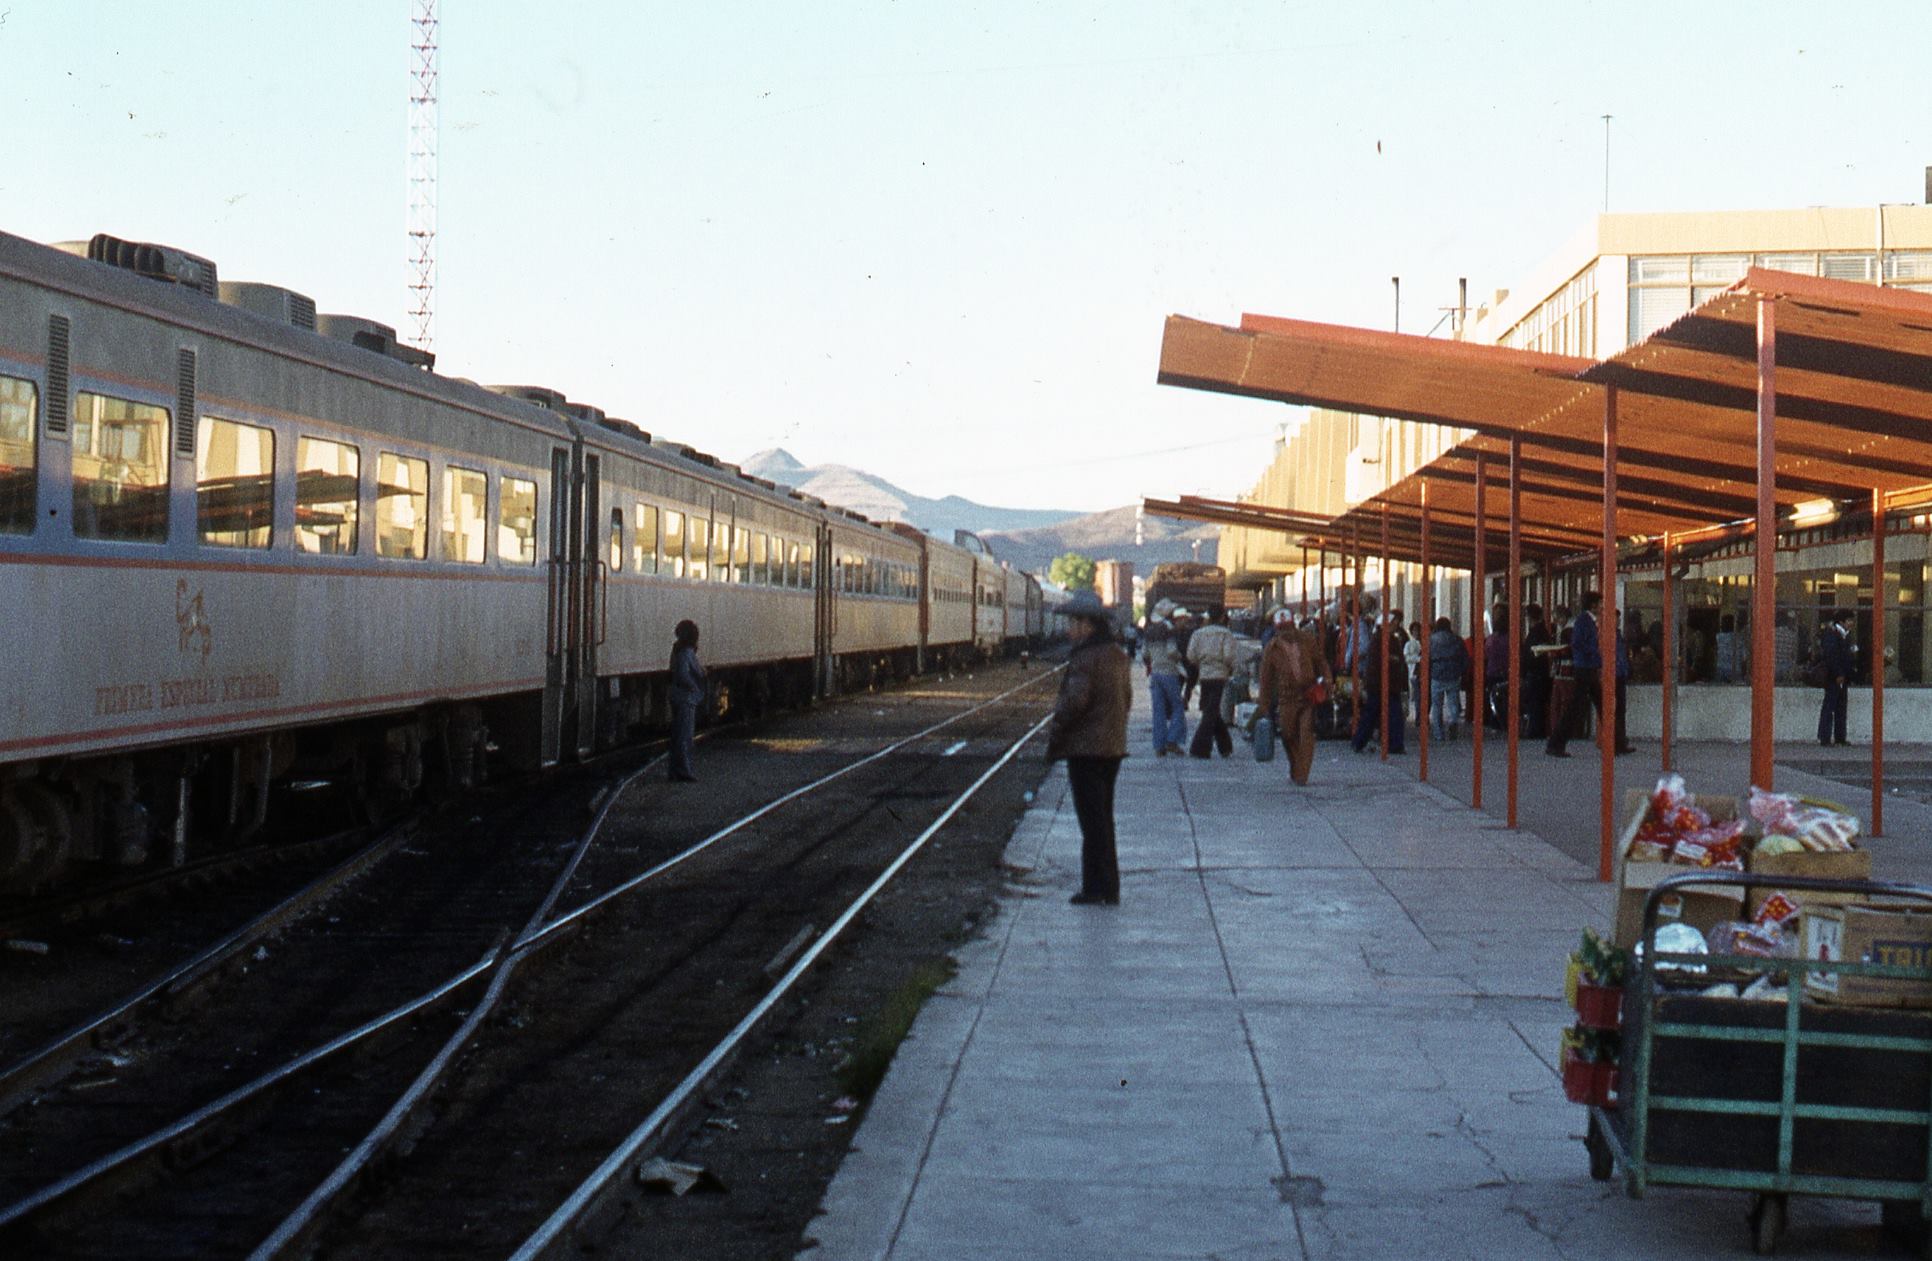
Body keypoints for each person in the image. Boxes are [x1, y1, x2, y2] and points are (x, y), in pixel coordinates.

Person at [1045, 591, 1132, 906]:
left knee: (1092, 822)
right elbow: (1127, 698)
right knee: (1102, 819)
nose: (1069, 629)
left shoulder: (1085, 657)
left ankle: (1099, 888)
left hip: (1086, 749)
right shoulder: (1117, 654)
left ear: (1087, 624)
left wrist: (1057, 734)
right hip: (1112, 747)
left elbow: (1074, 702)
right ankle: (1105, 886)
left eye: (1073, 622)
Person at [1258, 609, 1332, 785]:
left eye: (1289, 627)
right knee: (1287, 733)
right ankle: (1295, 765)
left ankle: (1302, 773)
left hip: (1308, 694)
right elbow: (1265, 678)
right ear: (1276, 629)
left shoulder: (1307, 640)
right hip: (1286, 698)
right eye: (1282, 629)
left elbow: (1320, 661)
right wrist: (1264, 704)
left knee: (1306, 733)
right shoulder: (1272, 648)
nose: (1286, 632)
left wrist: (1327, 679)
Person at [1350, 611, 1407, 755]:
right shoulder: (1384, 639)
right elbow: (1383, 660)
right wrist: (1394, 660)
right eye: (1394, 623)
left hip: (1381, 684)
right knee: (1389, 714)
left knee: (1374, 713)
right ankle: (1393, 744)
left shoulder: (1380, 638)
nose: (1396, 625)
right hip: (1383, 683)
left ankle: (1359, 741)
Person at [1186, 607, 1238, 758]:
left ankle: (1225, 746)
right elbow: (1229, 656)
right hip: (1220, 674)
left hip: (1204, 674)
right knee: (1211, 711)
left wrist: (1201, 663)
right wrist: (1229, 668)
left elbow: (1191, 655)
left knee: (1209, 709)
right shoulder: (1226, 634)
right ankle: (1199, 747)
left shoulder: (1198, 634)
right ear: (1222, 617)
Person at [1142, 601, 1186, 756]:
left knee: (1158, 710)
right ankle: (1172, 740)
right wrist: (1180, 657)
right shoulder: (1168, 630)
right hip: (1169, 672)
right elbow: (1171, 651)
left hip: (1155, 674)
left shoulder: (1149, 631)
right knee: (1177, 707)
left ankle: (1159, 746)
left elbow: (1144, 654)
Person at [668, 619, 705, 782]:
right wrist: (694, 687)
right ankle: (684, 771)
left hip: (677, 696)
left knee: (677, 736)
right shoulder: (687, 653)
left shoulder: (676, 651)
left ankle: (675, 770)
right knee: (685, 736)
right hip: (686, 698)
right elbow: (684, 674)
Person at [1818, 607, 1855, 746]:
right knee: (1829, 706)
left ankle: (1840, 737)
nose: (1851, 623)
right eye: (1849, 620)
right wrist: (1838, 673)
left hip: (1843, 676)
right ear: (1841, 621)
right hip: (1834, 677)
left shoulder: (1845, 635)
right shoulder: (1832, 634)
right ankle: (1825, 737)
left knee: (1841, 707)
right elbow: (1831, 656)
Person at [1427, 617, 1467, 741]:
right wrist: (1461, 671)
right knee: (1453, 703)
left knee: (1437, 705)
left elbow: (1426, 656)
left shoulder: (1431, 640)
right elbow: (1464, 657)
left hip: (1437, 673)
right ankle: (1452, 721)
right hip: (1453, 672)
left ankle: (1439, 733)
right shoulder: (1456, 639)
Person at [1522, 604, 1554, 740]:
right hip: (1540, 672)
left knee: (1534, 702)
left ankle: (1535, 730)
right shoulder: (1543, 632)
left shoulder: (1535, 633)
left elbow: (1530, 653)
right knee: (1537, 702)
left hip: (1535, 672)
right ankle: (1537, 729)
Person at [1484, 605, 1510, 730]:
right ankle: (1505, 720)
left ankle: (1495, 721)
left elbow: (1486, 653)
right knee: (1506, 697)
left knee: (1493, 697)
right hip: (1506, 670)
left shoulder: (1490, 639)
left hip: (1492, 671)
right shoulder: (1510, 639)